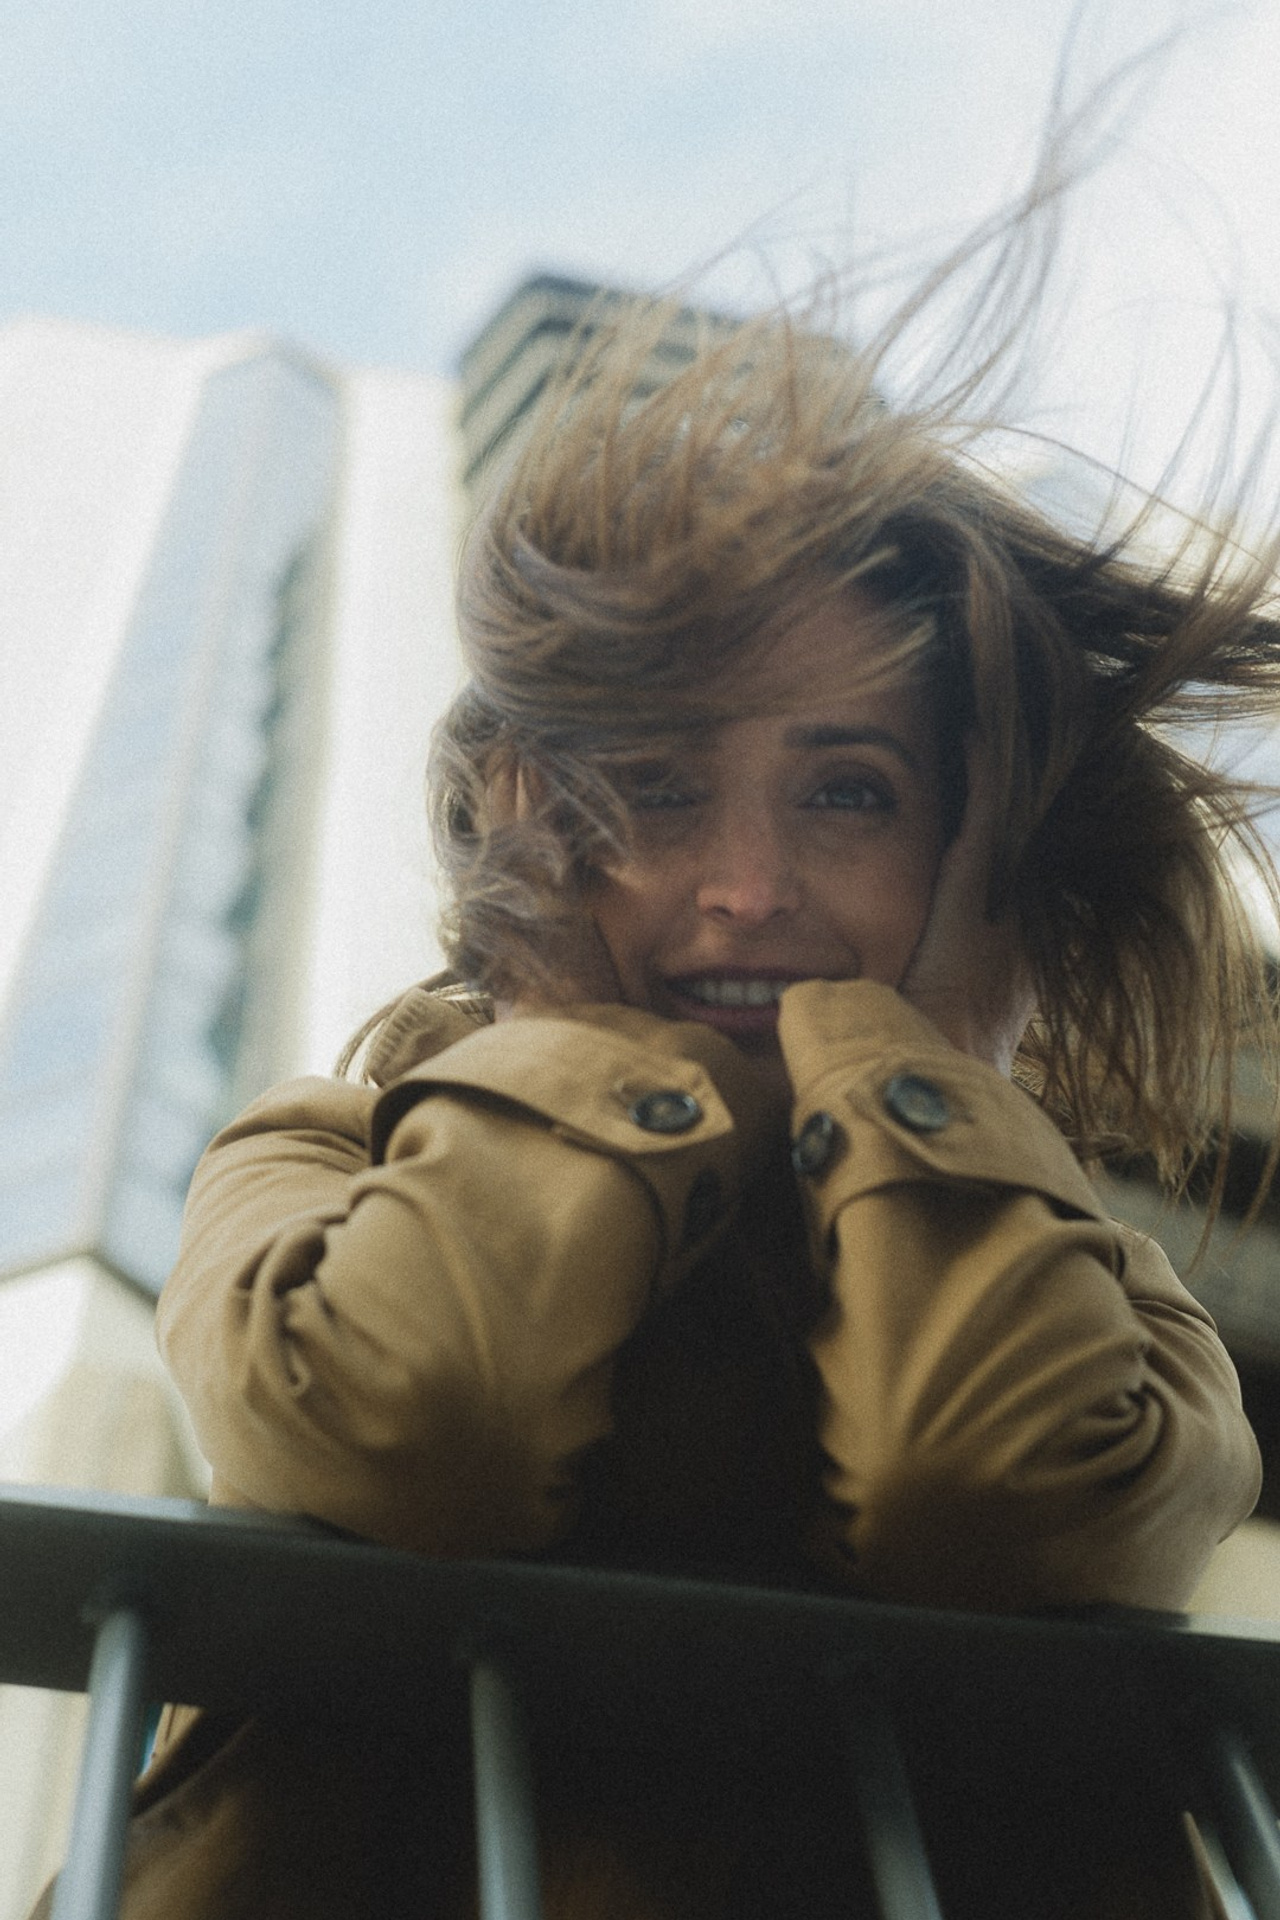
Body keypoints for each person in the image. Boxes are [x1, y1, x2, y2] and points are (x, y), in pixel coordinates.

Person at [42, 235, 1280, 1918]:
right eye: (657, 789)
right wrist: (565, 1006)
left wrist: (926, 1053)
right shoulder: (314, 1162)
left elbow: (981, 1491)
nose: (752, 886)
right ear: (526, 821)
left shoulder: (1114, 1293)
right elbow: (423, 1425)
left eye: (848, 796)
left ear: (969, 852)